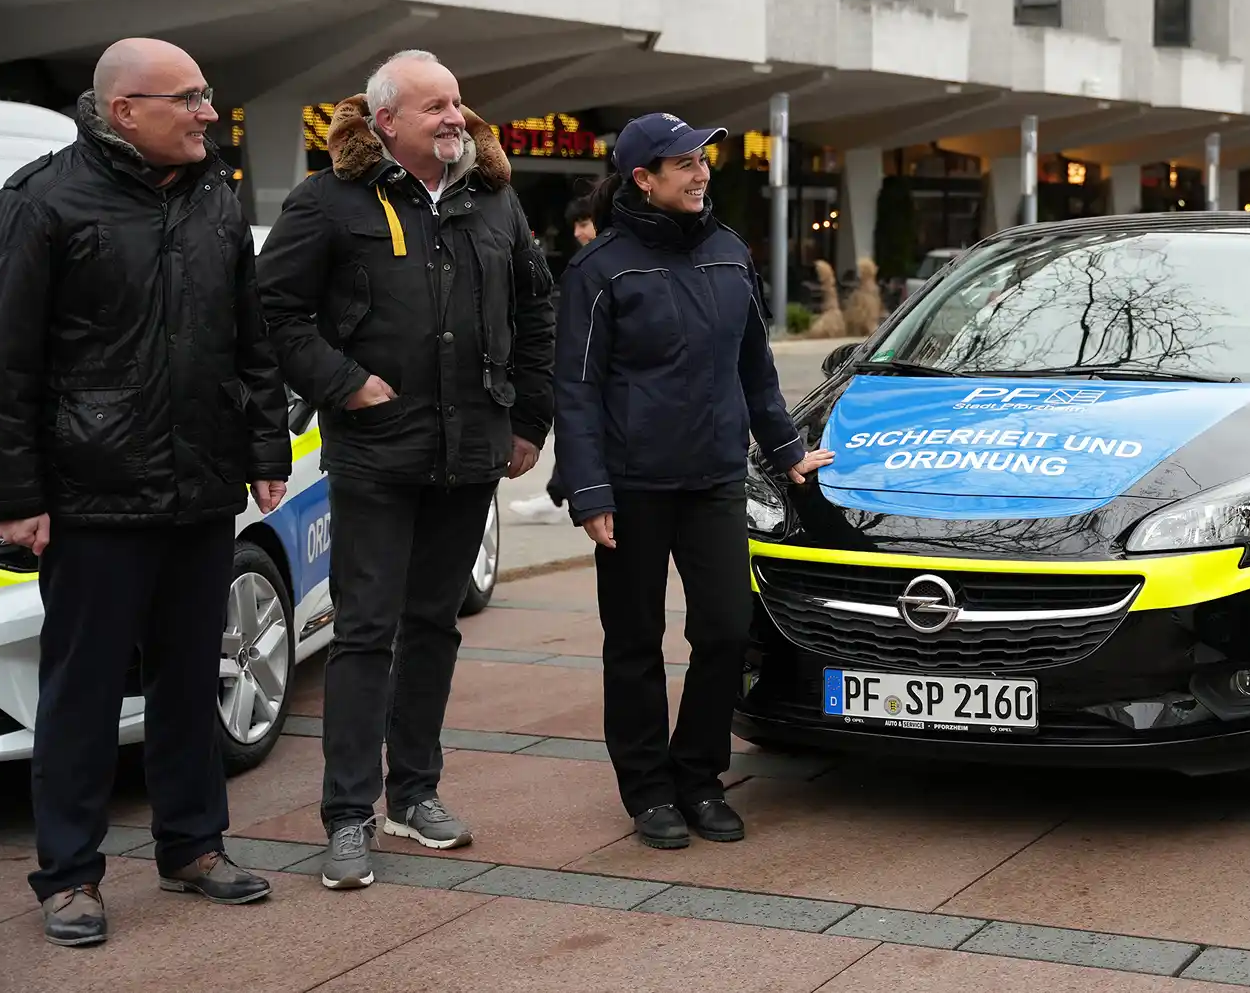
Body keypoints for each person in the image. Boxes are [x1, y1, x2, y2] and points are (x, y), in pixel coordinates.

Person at [0, 38, 290, 946]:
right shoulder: (39, 203)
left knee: (192, 679)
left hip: (200, 489)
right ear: (124, 110)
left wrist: (266, 445)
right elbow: (3, 365)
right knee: (79, 693)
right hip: (91, 498)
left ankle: (193, 846)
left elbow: (252, 338)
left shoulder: (214, 199)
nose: (207, 112)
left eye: (207, 96)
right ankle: (69, 874)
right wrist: (15, 494)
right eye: (188, 99)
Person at [257, 50, 556, 890]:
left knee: (434, 626)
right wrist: (344, 382)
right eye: (435, 107)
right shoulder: (327, 202)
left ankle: (413, 792)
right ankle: (348, 815)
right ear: (386, 121)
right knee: (364, 632)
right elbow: (272, 309)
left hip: (471, 456)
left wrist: (530, 418)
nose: (456, 118)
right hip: (376, 453)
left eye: (458, 103)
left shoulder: (495, 199)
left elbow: (537, 306)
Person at [551, 112, 832, 849]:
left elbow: (756, 370)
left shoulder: (730, 253)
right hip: (633, 486)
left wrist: (785, 449)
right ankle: (648, 791)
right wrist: (589, 490)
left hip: (714, 477)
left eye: (703, 158)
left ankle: (699, 777)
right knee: (635, 640)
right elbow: (575, 390)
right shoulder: (599, 269)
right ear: (643, 178)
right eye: (682, 162)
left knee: (725, 628)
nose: (700, 171)